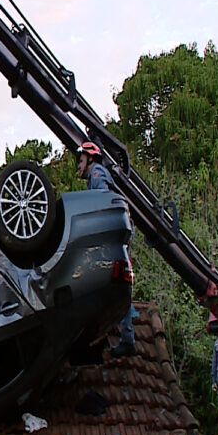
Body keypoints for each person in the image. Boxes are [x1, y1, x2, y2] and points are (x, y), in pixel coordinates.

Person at [77, 141, 137, 357]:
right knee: (115, 282)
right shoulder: (97, 174)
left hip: (113, 234)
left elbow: (102, 204)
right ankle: (127, 324)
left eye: (81, 159)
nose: (79, 164)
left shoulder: (97, 174)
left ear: (91, 157)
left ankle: (127, 338)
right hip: (118, 233)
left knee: (114, 283)